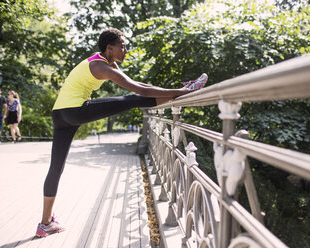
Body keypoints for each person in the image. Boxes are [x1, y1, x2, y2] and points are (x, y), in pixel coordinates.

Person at [36, 27, 207, 238]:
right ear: (110, 48)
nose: (126, 50)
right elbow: (139, 92)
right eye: (123, 46)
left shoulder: (105, 61)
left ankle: (45, 223)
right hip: (75, 110)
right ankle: (188, 89)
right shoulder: (100, 66)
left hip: (59, 114)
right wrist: (182, 92)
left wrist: (172, 91)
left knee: (56, 168)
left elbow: (139, 85)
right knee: (131, 101)